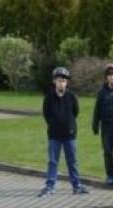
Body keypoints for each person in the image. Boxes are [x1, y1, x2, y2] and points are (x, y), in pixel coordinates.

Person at [39, 67, 90, 197]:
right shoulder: (49, 97)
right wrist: (54, 124)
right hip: (54, 135)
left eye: (63, 81)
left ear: (67, 83)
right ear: (54, 82)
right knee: (53, 161)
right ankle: (50, 186)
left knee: (72, 161)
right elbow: (46, 114)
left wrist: (69, 125)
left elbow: (75, 112)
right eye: (59, 80)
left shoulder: (72, 96)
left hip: (69, 134)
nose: (61, 83)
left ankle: (76, 185)